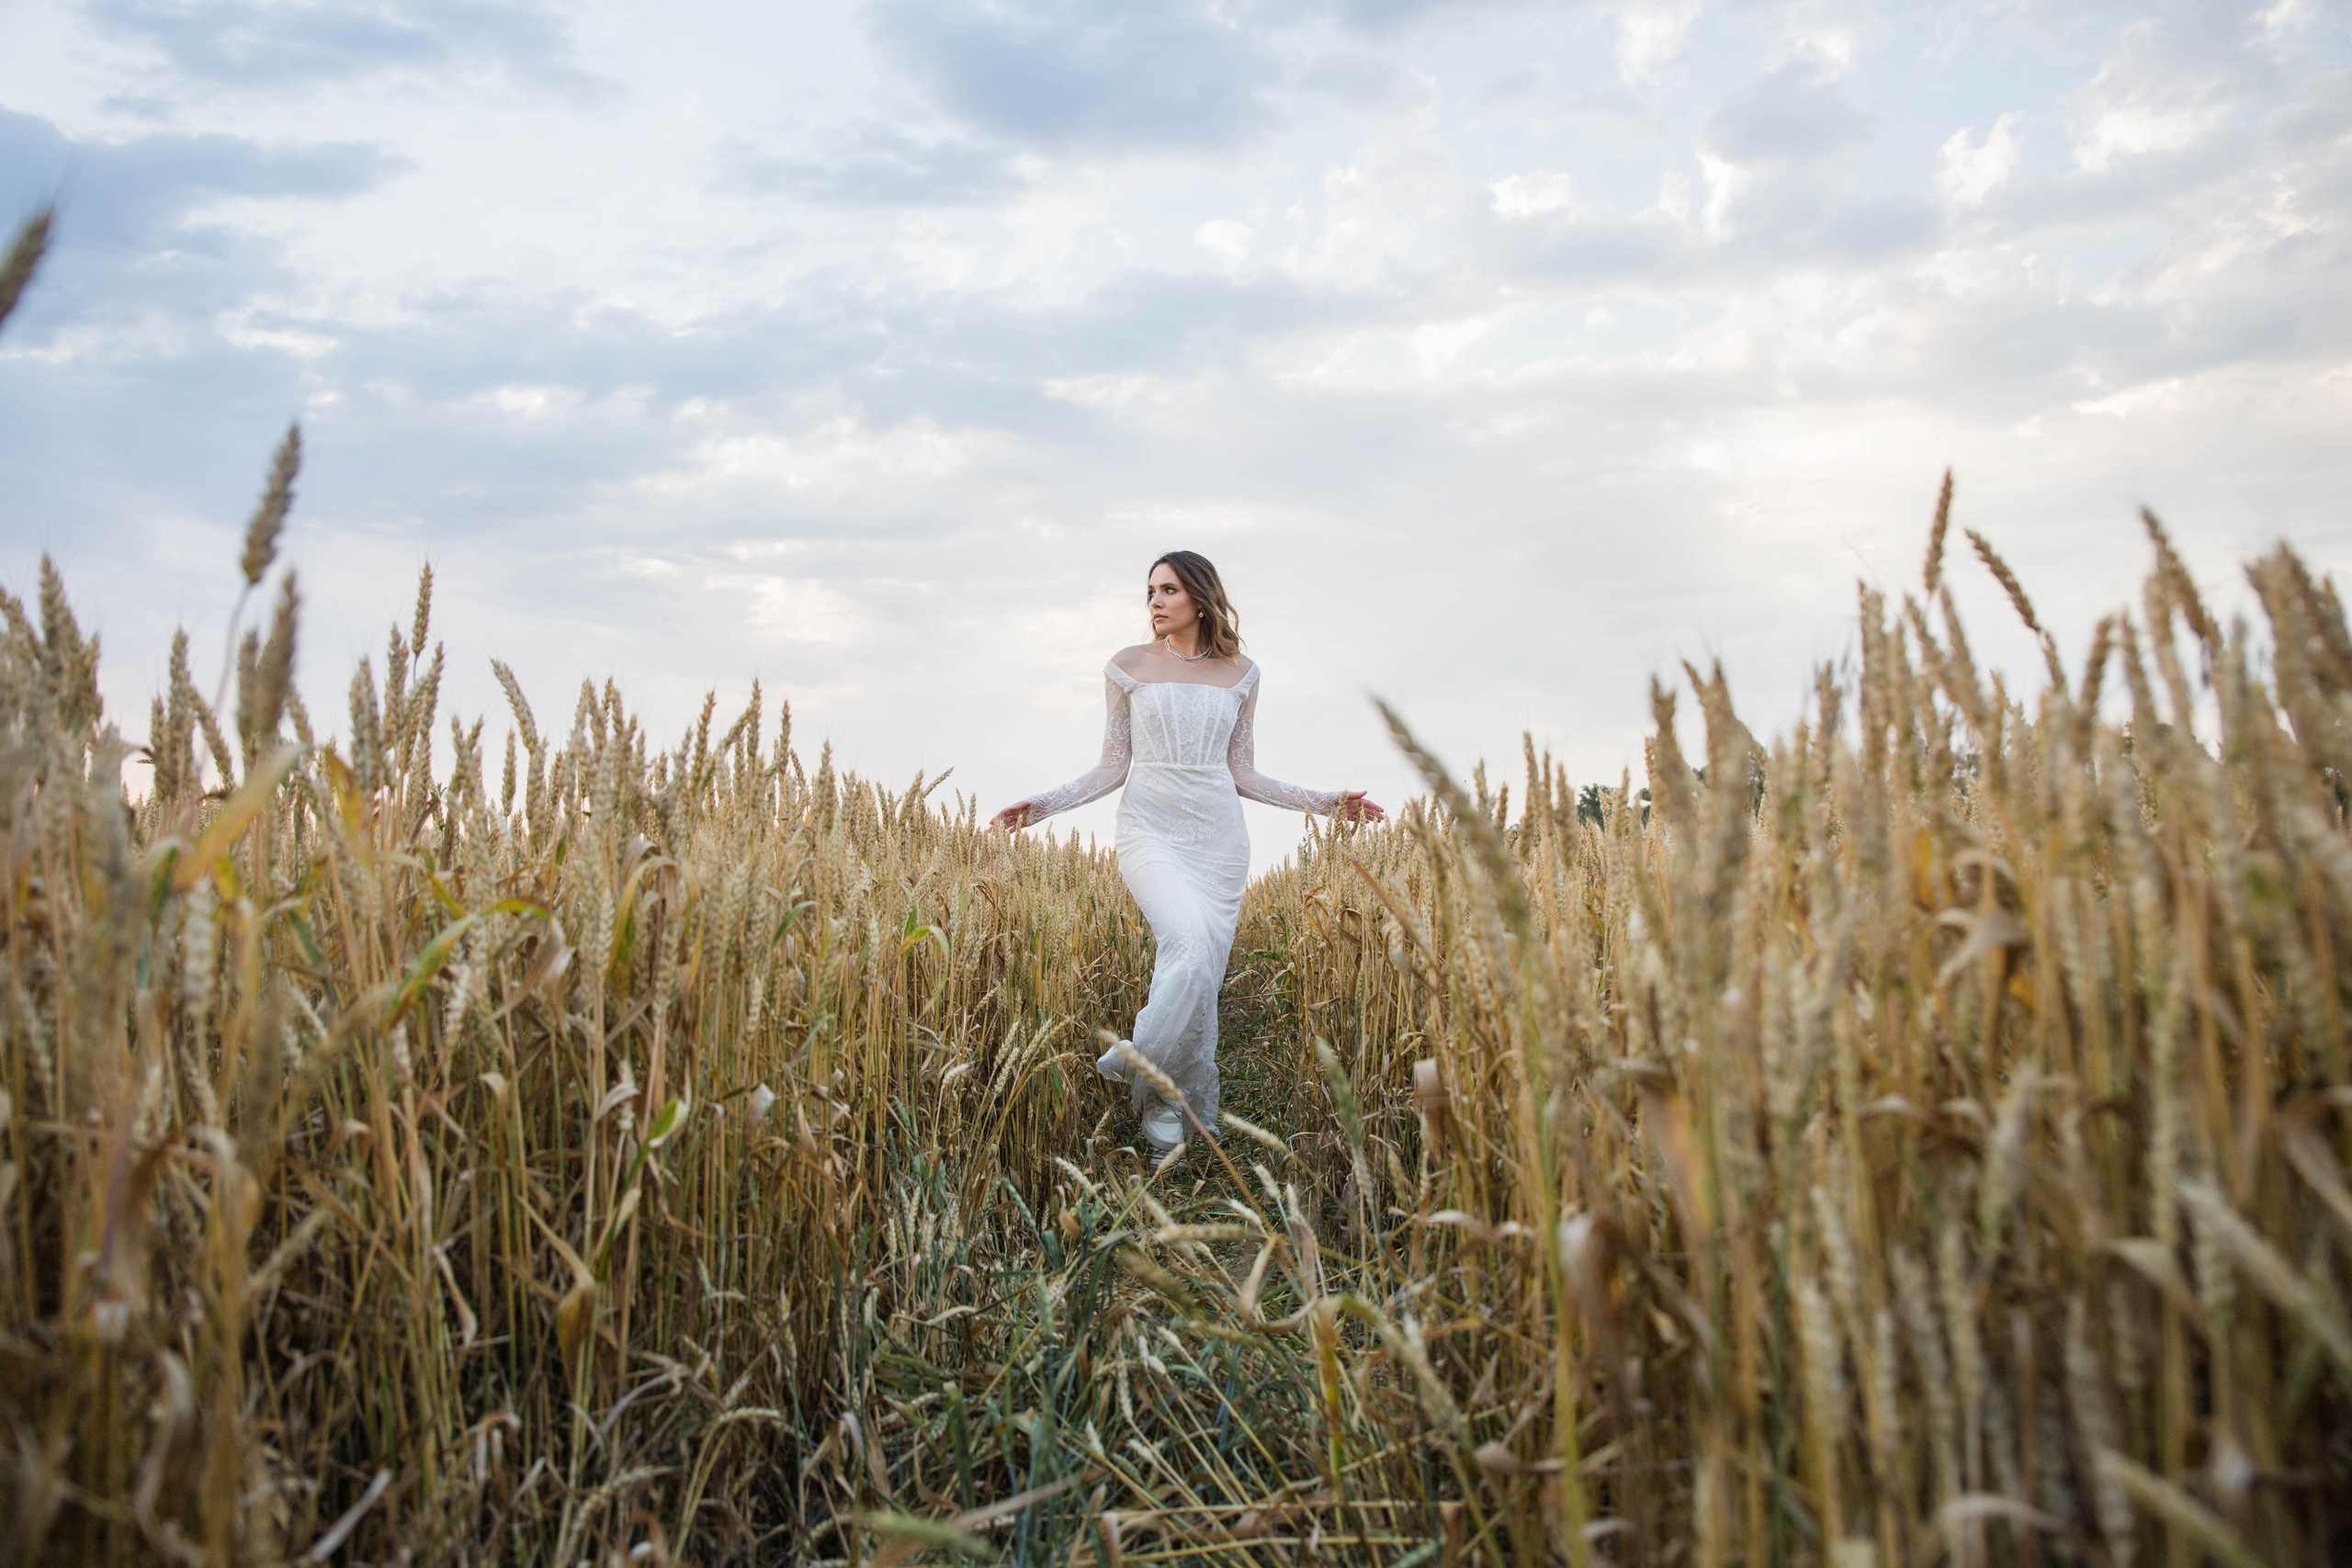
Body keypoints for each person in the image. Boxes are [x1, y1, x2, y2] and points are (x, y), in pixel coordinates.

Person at [990, 552, 1385, 1160]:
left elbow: (1243, 773)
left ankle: (1165, 1100)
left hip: (1220, 841)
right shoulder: (1125, 668)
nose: (1154, 601)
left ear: (1199, 598)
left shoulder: (1243, 675)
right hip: (1148, 829)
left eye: (1168, 589)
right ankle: (1146, 1067)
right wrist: (1040, 806)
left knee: (1198, 969)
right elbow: (1112, 767)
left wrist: (1327, 802)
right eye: (1150, 590)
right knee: (1188, 941)